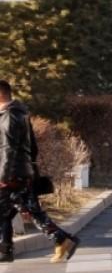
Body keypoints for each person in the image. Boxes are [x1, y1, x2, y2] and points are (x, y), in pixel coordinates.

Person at [0, 80, 79, 263]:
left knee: (16, 211)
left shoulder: (8, 117)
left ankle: (61, 240)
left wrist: (3, 177)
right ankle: (6, 250)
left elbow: (7, 149)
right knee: (27, 210)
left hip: (11, 174)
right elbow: (32, 147)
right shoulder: (19, 113)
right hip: (20, 171)